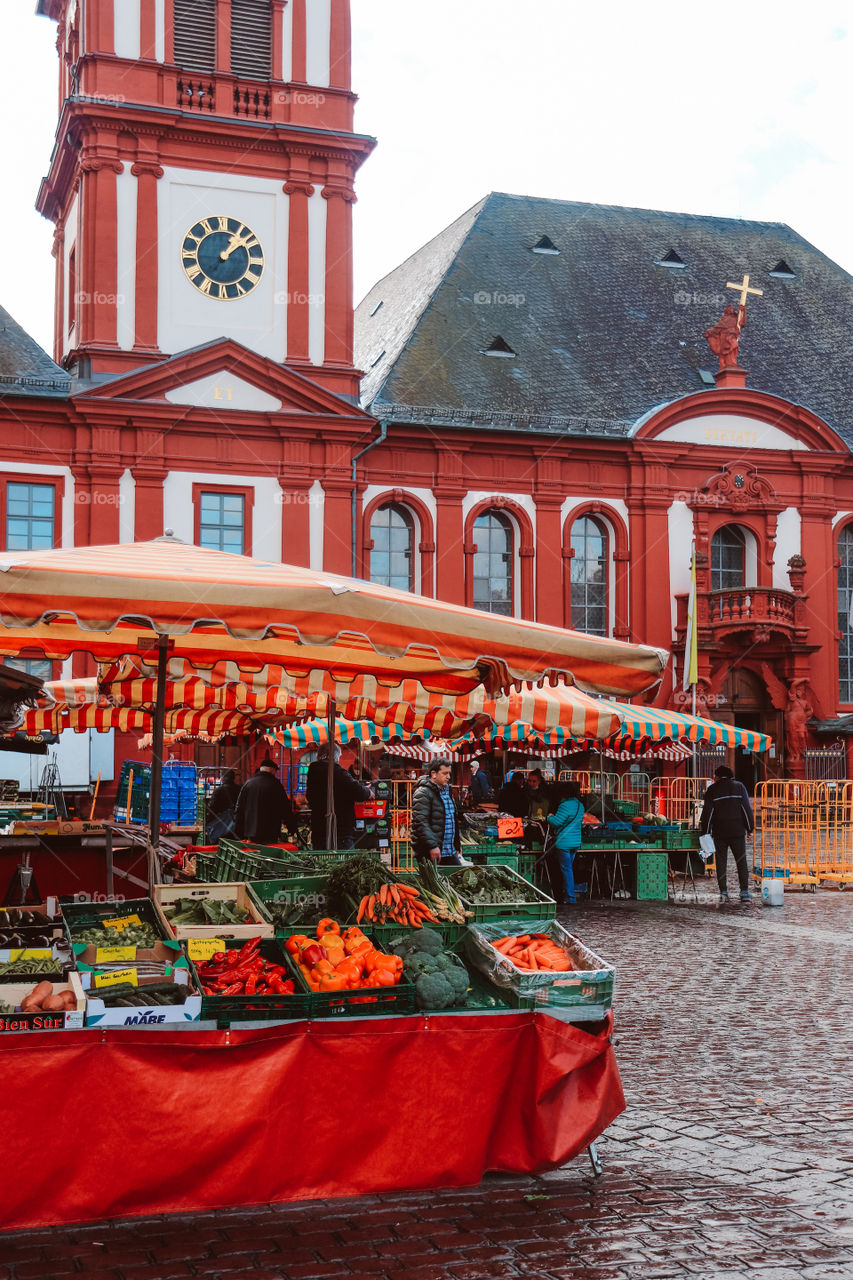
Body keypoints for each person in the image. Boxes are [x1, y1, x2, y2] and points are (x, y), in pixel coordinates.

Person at [700, 765, 754, 903]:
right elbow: (746, 809)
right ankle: (744, 891)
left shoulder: (712, 790)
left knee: (721, 862)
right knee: (741, 861)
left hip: (720, 832)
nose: (713, 779)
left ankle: (723, 891)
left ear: (718, 776)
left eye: (714, 776)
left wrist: (705, 832)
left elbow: (708, 813)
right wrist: (750, 829)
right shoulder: (740, 787)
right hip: (737, 831)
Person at [306, 743, 371, 849]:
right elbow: (359, 792)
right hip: (340, 831)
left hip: (319, 828)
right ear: (335, 756)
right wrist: (368, 791)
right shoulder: (336, 771)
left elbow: (310, 796)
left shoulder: (313, 771)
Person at [412, 758, 464, 865]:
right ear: (433, 774)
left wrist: (457, 845)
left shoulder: (447, 791)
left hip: (449, 851)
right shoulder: (423, 792)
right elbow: (421, 822)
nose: (448, 777)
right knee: (433, 881)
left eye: (449, 773)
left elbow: (452, 819)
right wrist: (432, 846)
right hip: (432, 852)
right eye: (445, 773)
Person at [234, 756, 295, 844]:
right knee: (269, 854)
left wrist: (238, 830)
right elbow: (285, 807)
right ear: (272, 770)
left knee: (253, 853)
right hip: (270, 830)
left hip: (251, 831)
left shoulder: (248, 783)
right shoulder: (275, 784)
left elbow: (239, 808)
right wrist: (291, 826)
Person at [546, 780, 586, 905]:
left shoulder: (565, 805)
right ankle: (567, 894)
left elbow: (557, 822)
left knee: (566, 869)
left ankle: (570, 897)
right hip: (575, 842)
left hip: (564, 843)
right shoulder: (580, 805)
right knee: (568, 869)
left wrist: (549, 817)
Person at [207, 768, 240, 840]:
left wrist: (207, 820)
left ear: (222, 778)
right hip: (237, 826)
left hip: (222, 827)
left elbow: (212, 809)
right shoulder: (240, 789)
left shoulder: (218, 791)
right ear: (233, 778)